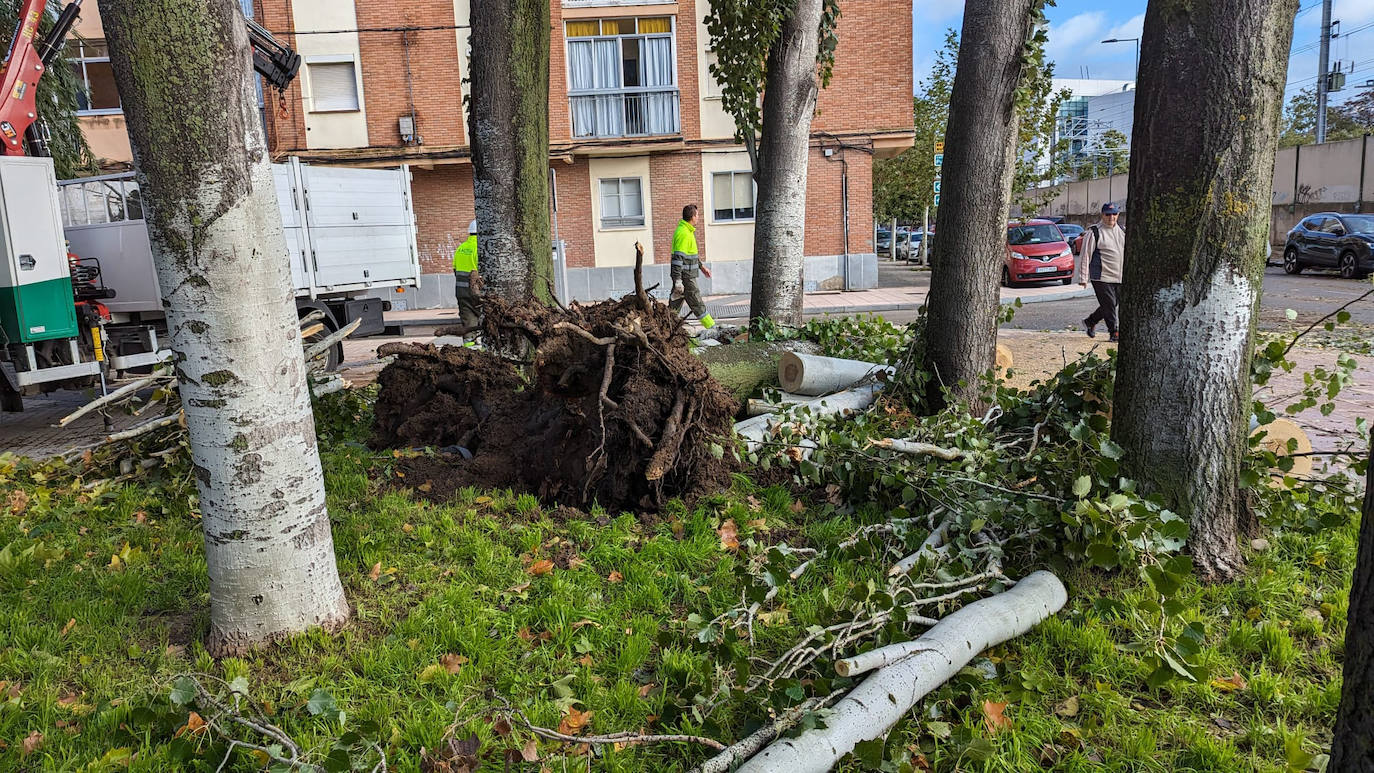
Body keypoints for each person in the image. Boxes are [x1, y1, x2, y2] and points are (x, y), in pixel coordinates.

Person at [1076, 202, 1125, 343]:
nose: (1111, 218)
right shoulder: (1094, 232)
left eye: (1114, 214)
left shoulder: (1122, 230)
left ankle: (1090, 321)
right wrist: (1083, 277)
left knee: (1112, 304)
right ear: (1102, 215)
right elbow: (1085, 255)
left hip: (1119, 275)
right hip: (1101, 276)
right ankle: (1114, 332)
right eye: (1108, 215)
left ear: (1118, 215)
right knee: (1109, 304)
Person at [669, 204, 715, 329]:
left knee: (674, 306)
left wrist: (702, 267)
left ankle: (665, 327)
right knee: (697, 302)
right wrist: (678, 281)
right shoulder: (684, 233)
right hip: (686, 277)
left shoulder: (687, 231)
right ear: (693, 217)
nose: (698, 218)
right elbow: (678, 259)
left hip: (684, 276)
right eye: (697, 215)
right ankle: (712, 327)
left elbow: (691, 256)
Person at [452, 220, 481, 343]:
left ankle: (469, 349)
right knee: (485, 322)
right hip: (478, 294)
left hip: (461, 292)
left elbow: (455, 269)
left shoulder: (460, 248)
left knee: (468, 322)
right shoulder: (481, 248)